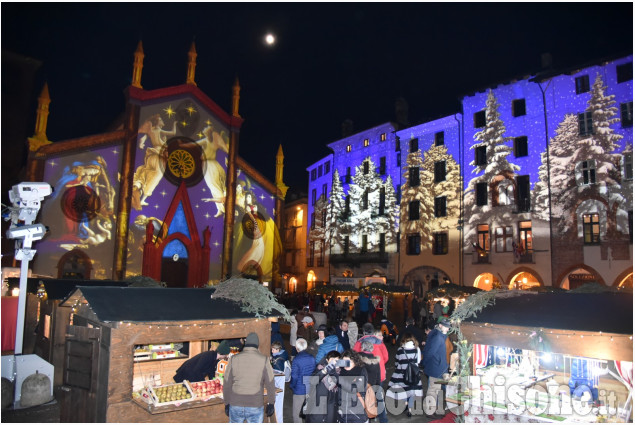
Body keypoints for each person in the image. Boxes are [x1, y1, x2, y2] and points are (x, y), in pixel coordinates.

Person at [223, 333, 275, 423]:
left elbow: (227, 382)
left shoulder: (234, 359)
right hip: (255, 404)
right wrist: (271, 402)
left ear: (245, 344)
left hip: (236, 403)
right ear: (257, 345)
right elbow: (270, 383)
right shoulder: (264, 360)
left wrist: (226, 403)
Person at [386, 333, 423, 418]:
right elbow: (418, 362)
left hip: (401, 373)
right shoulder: (417, 349)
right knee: (413, 391)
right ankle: (410, 409)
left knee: (403, 390)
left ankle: (405, 403)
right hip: (413, 373)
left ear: (404, 340)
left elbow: (397, 361)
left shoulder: (400, 350)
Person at [421, 319, 451, 416]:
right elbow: (431, 352)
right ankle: (429, 411)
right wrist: (424, 363)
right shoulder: (438, 337)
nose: (447, 328)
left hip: (438, 366)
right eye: (446, 326)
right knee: (433, 389)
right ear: (440, 325)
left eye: (448, 326)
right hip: (436, 367)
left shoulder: (439, 335)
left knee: (436, 389)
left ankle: (434, 410)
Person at [305, 350, 341, 423]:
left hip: (332, 407)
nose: (334, 363)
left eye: (336, 361)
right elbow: (313, 381)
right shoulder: (320, 368)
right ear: (327, 360)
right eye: (332, 360)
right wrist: (324, 371)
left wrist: (335, 373)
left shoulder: (340, 372)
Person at [358, 340, 387, 423]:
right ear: (371, 349)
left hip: (361, 387)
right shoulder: (376, 361)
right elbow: (378, 377)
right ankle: (383, 420)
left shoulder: (358, 359)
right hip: (372, 387)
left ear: (362, 348)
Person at [338, 350, 369, 423]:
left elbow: (354, 388)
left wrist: (338, 378)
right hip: (342, 414)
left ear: (355, 361)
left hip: (357, 414)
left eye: (349, 362)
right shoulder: (340, 372)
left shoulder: (360, 371)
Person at [290, 338, 316, 423]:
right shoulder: (312, 358)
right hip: (310, 388)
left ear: (297, 348)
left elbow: (294, 376)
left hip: (299, 389)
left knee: (297, 414)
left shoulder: (296, 359)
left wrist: (292, 386)